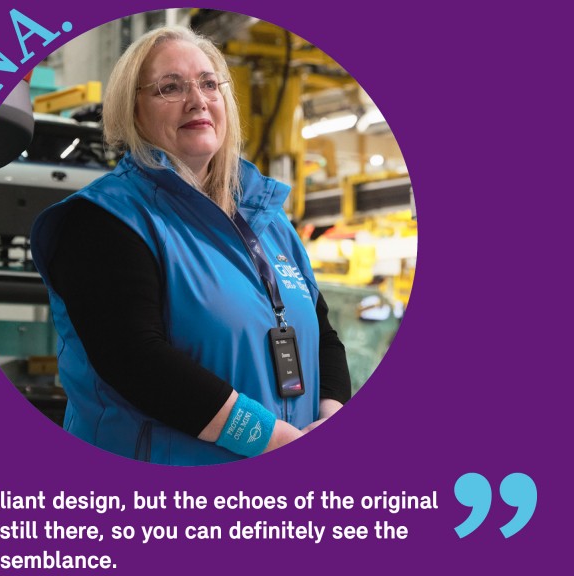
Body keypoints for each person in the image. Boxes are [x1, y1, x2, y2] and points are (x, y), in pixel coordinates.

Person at [31, 25, 351, 465]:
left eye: (208, 83)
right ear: (134, 112)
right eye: (170, 87)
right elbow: (136, 360)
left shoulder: (270, 221)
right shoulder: (103, 220)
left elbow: (323, 337)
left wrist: (331, 418)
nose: (197, 99)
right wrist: (273, 441)